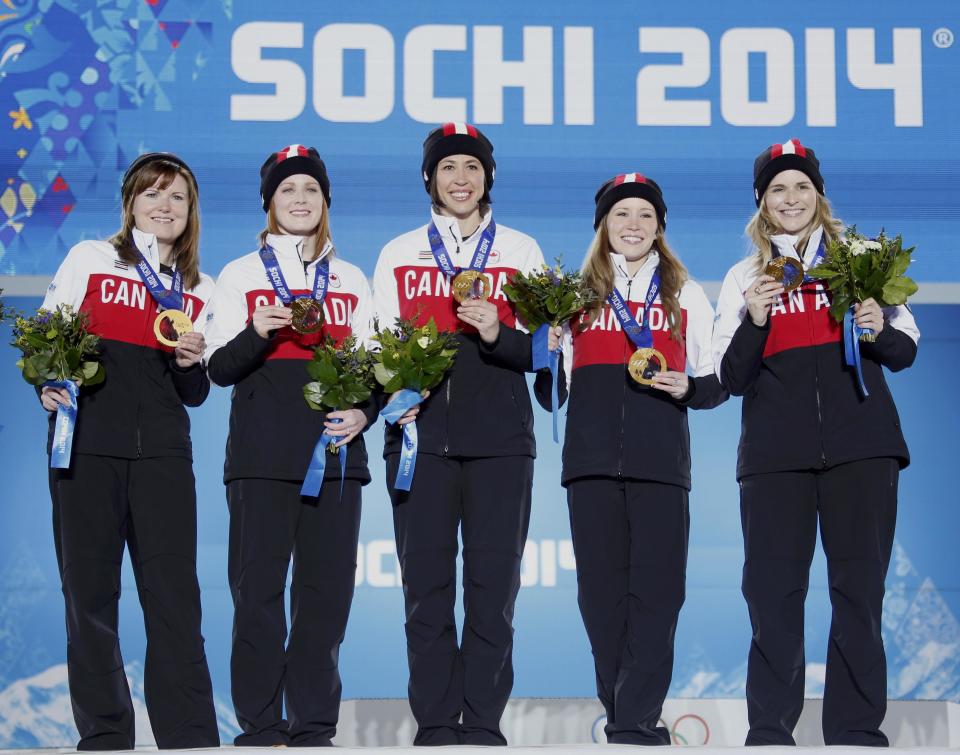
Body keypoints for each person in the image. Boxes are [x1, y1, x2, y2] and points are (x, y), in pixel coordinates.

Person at [713, 139, 919, 746]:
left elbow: (905, 349)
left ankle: (855, 728)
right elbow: (729, 377)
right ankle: (771, 729)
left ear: (819, 195)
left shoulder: (863, 258)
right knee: (772, 594)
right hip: (775, 460)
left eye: (801, 186)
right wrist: (754, 320)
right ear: (761, 203)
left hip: (863, 447)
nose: (791, 197)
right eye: (778, 188)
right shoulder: (744, 276)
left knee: (859, 590)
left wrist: (879, 327)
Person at [536, 173, 726, 744]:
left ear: (661, 228)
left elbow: (716, 378)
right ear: (603, 226)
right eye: (622, 215)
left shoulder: (685, 293)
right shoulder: (574, 296)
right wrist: (544, 355)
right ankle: (625, 713)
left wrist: (686, 388)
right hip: (590, 465)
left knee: (659, 593)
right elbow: (552, 394)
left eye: (646, 215)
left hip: (661, 465)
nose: (634, 225)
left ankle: (636, 720)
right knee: (600, 597)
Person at [372, 122, 546, 746]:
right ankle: (438, 723)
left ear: (488, 178)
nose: (461, 179)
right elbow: (376, 350)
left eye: (472, 168)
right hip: (419, 442)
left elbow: (547, 353)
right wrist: (389, 395)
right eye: (449, 168)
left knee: (493, 589)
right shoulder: (398, 253)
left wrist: (500, 334)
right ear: (429, 179)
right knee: (426, 590)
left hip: (500, 442)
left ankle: (483, 722)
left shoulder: (521, 251)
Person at [39, 153, 219, 749]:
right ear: (130, 204)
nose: (164, 207)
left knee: (174, 599)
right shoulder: (89, 259)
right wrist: (47, 382)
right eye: (152, 195)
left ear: (190, 213)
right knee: (89, 595)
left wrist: (192, 364)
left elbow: (194, 392)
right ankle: (107, 735)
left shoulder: (199, 287)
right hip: (86, 447)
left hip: (164, 457)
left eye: (177, 198)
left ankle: (189, 734)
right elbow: (47, 338)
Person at [203, 144, 375, 747]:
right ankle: (260, 724)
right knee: (257, 596)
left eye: (310, 189)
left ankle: (314, 726)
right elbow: (216, 371)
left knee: (326, 598)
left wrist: (364, 412)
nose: (299, 199)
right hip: (260, 460)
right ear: (269, 203)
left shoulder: (352, 279)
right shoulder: (239, 275)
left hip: (336, 457)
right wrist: (257, 331)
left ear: (325, 200)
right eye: (287, 190)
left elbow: (377, 370)